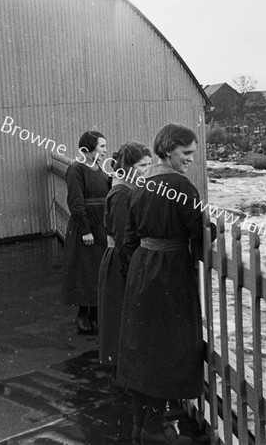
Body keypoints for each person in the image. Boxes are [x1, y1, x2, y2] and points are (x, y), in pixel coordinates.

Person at [118, 123, 211, 445]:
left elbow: (128, 237)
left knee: (143, 347)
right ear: (168, 149)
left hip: (144, 269)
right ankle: (154, 431)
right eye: (186, 153)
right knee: (166, 347)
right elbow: (200, 231)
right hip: (169, 272)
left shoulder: (142, 183)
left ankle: (141, 425)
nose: (190, 160)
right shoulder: (181, 187)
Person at [98, 142, 152, 372]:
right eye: (142, 165)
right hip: (121, 261)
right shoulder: (121, 193)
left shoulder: (129, 187)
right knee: (122, 315)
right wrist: (133, 269)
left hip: (123, 257)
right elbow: (123, 238)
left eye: (150, 164)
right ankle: (124, 369)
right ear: (128, 167)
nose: (148, 170)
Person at [61, 130, 110, 334]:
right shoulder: (76, 169)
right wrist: (85, 230)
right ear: (88, 148)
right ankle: (83, 314)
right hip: (87, 226)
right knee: (85, 270)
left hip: (101, 224)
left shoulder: (99, 167)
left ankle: (95, 313)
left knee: (98, 269)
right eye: (102, 147)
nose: (105, 151)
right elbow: (75, 202)